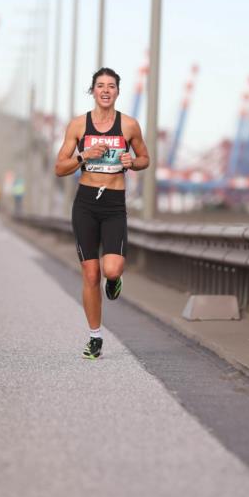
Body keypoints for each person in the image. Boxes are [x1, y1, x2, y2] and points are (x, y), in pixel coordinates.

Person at [55, 67, 150, 359]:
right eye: (100, 86)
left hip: (113, 203)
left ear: (118, 92)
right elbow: (60, 167)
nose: (106, 90)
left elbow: (145, 158)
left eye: (111, 86)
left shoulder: (129, 125)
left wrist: (132, 163)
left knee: (111, 269)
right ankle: (95, 337)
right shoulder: (78, 126)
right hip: (85, 203)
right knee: (91, 272)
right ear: (93, 91)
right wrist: (84, 155)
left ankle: (115, 279)